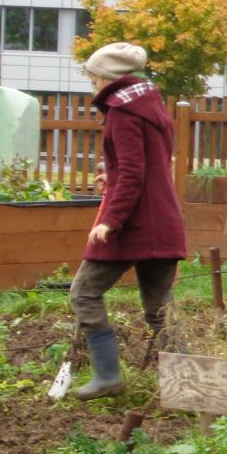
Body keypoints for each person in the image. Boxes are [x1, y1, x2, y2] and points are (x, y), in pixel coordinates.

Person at [69, 42, 187, 402]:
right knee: (158, 308)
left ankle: (107, 376)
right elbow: (144, 164)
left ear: (105, 78)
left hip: (134, 224)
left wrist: (112, 220)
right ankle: (186, 387)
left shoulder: (122, 112)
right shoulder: (150, 104)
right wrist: (113, 173)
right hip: (162, 219)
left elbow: (134, 172)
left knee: (83, 292)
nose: (91, 83)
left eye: (92, 77)